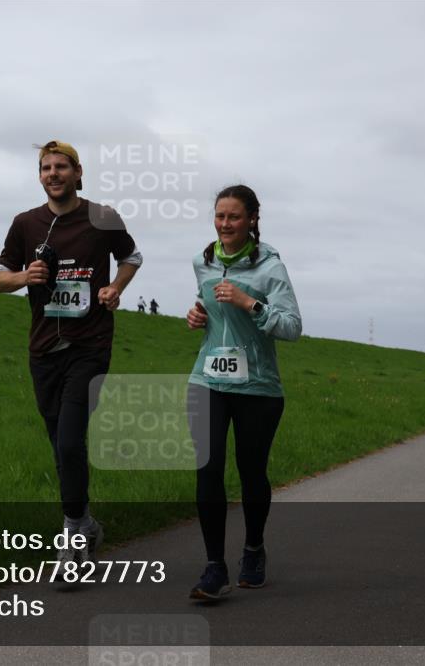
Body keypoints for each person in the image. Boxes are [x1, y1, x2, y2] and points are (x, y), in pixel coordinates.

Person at [0, 140, 142, 566]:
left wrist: (115, 288)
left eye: (62, 167)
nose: (53, 174)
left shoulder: (101, 217)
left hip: (90, 345)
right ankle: (87, 523)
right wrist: (25, 275)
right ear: (39, 176)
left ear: (79, 173)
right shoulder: (25, 224)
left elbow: (131, 256)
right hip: (43, 350)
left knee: (71, 440)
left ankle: (73, 538)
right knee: (61, 446)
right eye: (46, 168)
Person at [184, 184, 302, 600]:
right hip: (207, 378)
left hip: (258, 387)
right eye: (219, 216)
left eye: (234, 216)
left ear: (252, 219)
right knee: (208, 469)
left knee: (252, 473)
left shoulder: (271, 268)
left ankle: (253, 548)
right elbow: (209, 308)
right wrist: (198, 315)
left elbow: (292, 327)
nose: (225, 224)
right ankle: (214, 567)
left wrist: (250, 303)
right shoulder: (204, 261)